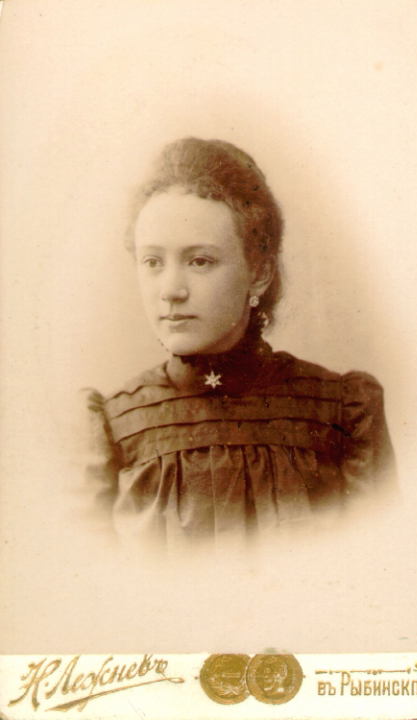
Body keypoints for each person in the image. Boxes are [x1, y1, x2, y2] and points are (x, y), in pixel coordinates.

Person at [81, 137, 396, 552]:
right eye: (153, 261)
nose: (171, 290)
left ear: (259, 273)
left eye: (200, 261)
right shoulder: (112, 429)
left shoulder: (344, 415)